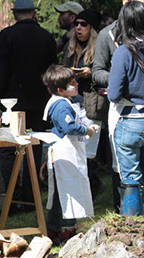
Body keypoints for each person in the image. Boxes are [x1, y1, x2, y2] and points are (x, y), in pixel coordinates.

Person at [92, 0, 144, 212]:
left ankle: (132, 223)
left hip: (128, 120)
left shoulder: (123, 52)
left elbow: (114, 95)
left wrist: (124, 85)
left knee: (130, 180)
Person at [0, 0, 57, 213]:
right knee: (33, 148)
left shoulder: (7, 36)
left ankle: (12, 197)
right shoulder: (46, 37)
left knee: (9, 149)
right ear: (34, 14)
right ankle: (31, 197)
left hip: (12, 103)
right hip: (39, 102)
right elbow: (52, 71)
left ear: (15, 14)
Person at [41, 65, 97, 242]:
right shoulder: (60, 105)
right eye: (72, 83)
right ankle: (66, 229)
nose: (77, 84)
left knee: (60, 195)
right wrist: (86, 129)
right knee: (68, 193)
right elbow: (68, 127)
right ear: (60, 90)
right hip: (65, 155)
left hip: (69, 154)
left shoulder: (64, 101)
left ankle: (53, 229)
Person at [61, 8, 105, 200]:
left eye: (83, 24)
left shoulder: (100, 49)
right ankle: (89, 187)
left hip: (92, 104)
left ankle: (92, 188)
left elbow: (108, 74)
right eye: (76, 24)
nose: (78, 27)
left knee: (88, 151)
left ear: (92, 28)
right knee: (76, 149)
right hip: (73, 103)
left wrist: (92, 73)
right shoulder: (70, 48)